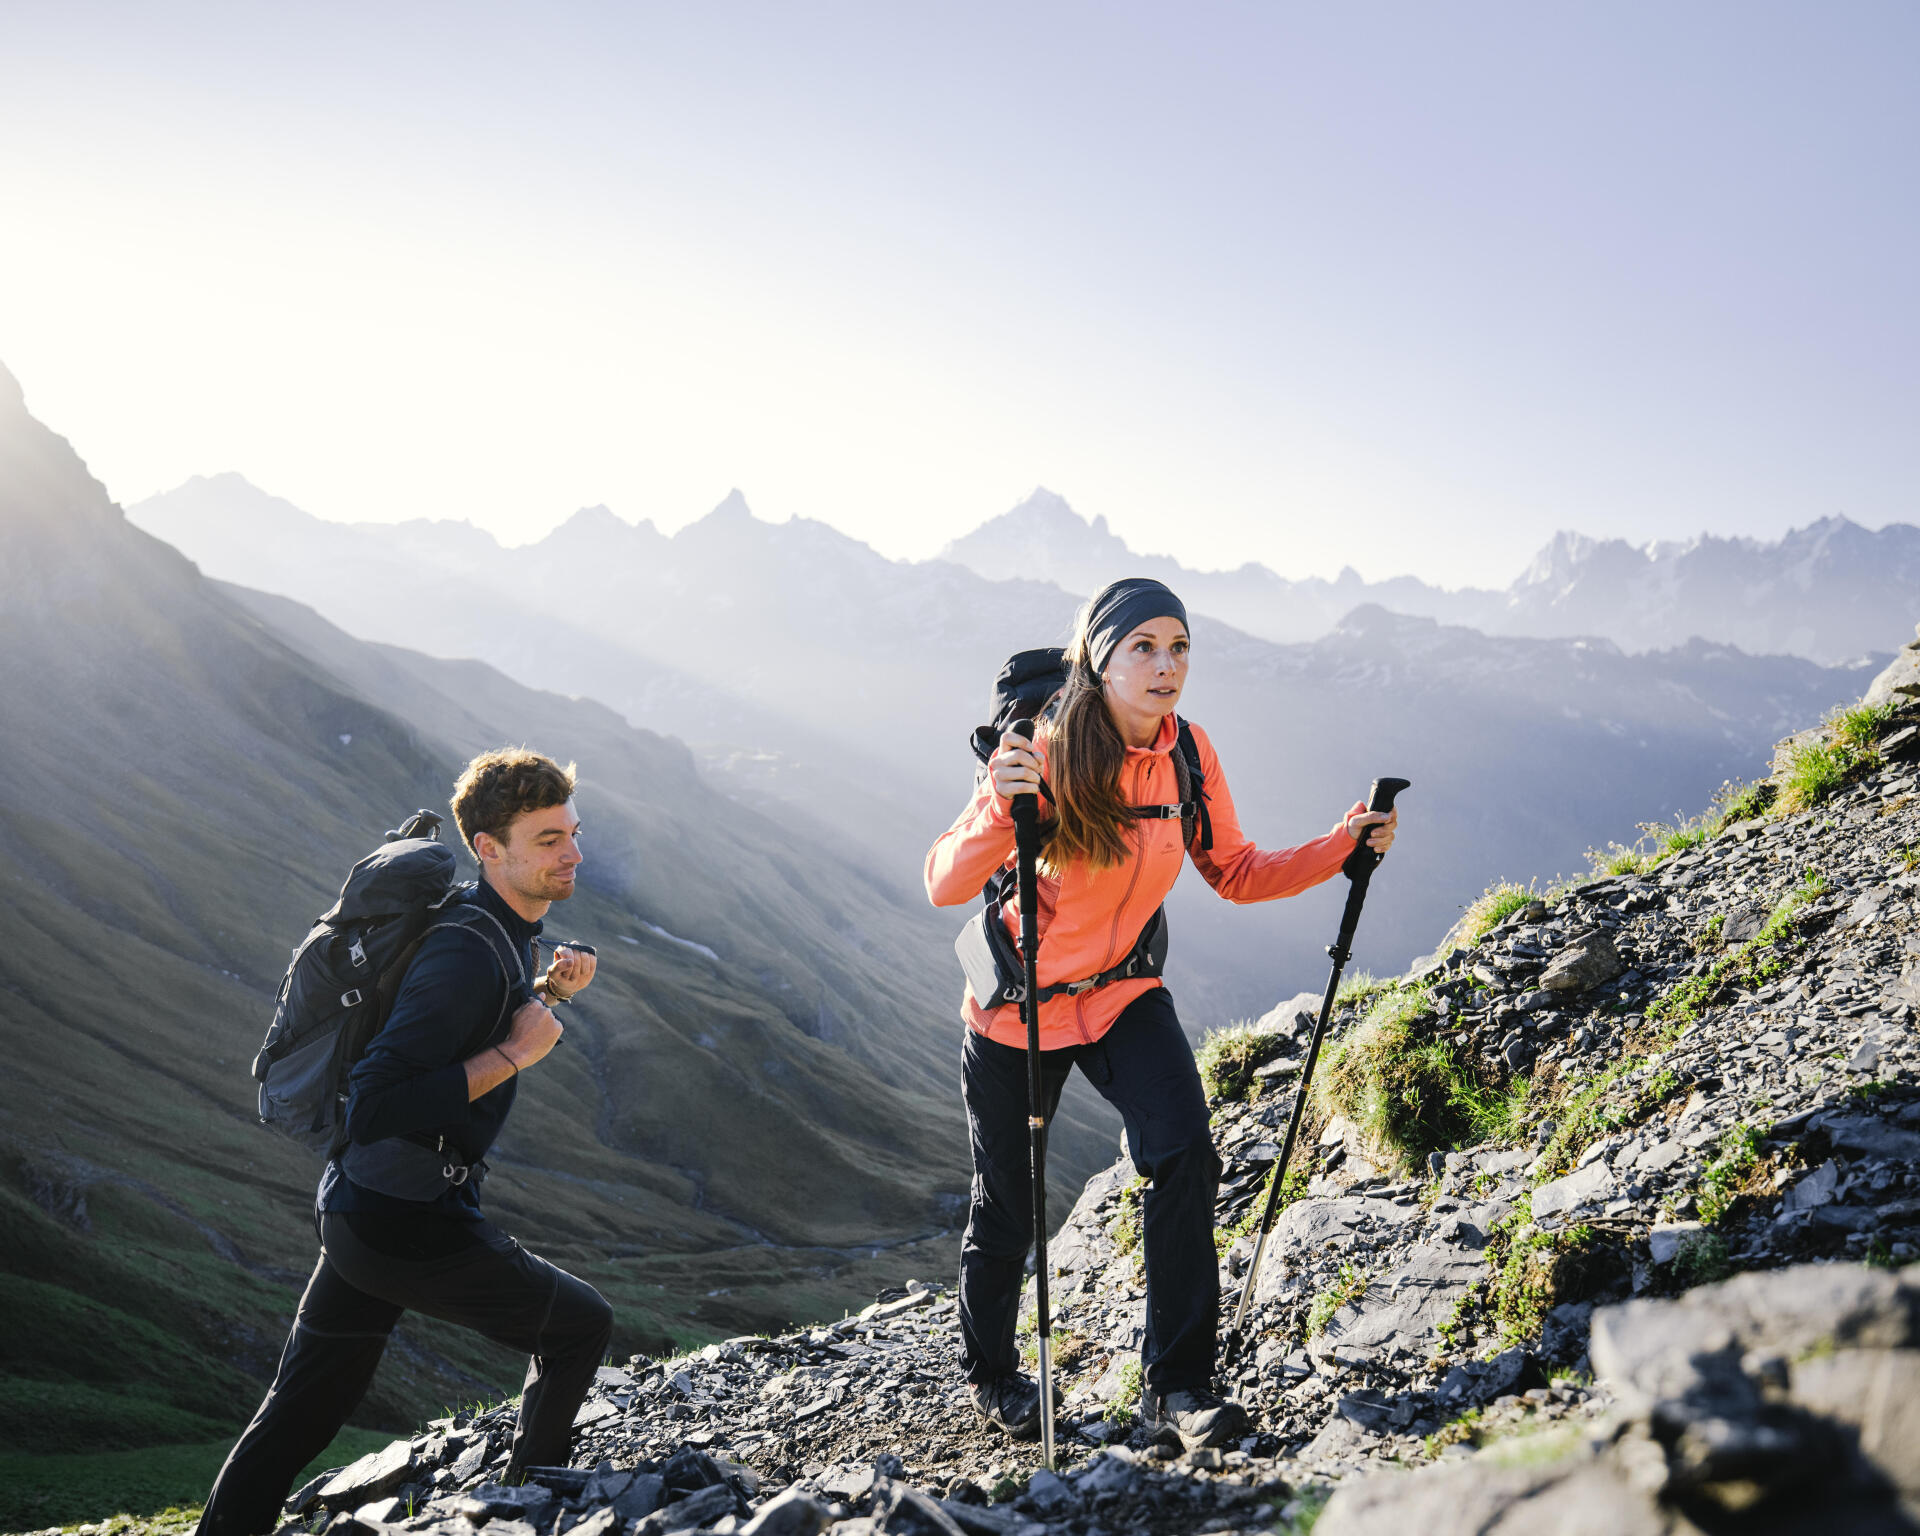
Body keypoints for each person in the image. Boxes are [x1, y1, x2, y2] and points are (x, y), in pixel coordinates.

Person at [924, 578, 1396, 1451]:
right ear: (1099, 659)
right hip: (1016, 1012)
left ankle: (1176, 1384)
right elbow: (943, 880)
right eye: (1144, 646)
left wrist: (1343, 846)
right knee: (1009, 1213)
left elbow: (1238, 871)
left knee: (1184, 1157)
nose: (1167, 665)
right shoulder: (1043, 749)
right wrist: (1001, 799)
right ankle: (993, 1378)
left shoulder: (1188, 754)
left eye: (1180, 647)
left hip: (1124, 993)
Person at [199, 749, 613, 1535]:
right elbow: (376, 1100)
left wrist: (548, 992)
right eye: (550, 838)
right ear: (490, 850)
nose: (573, 854)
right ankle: (530, 1514)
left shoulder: (486, 927)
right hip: (404, 1220)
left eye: (572, 832)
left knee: (297, 1418)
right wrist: (517, 1055)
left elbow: (450, 1032)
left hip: (363, 1205)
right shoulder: (466, 948)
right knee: (579, 1326)